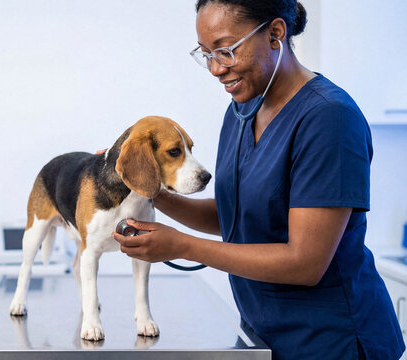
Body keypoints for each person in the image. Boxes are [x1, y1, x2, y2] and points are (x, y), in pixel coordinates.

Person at [110, 1, 406, 359]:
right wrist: (149, 189)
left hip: (331, 341)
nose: (216, 69)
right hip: (262, 336)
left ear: (275, 33)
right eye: (206, 54)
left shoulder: (330, 119)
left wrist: (182, 246)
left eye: (226, 50)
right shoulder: (240, 111)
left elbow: (305, 262)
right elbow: (234, 216)